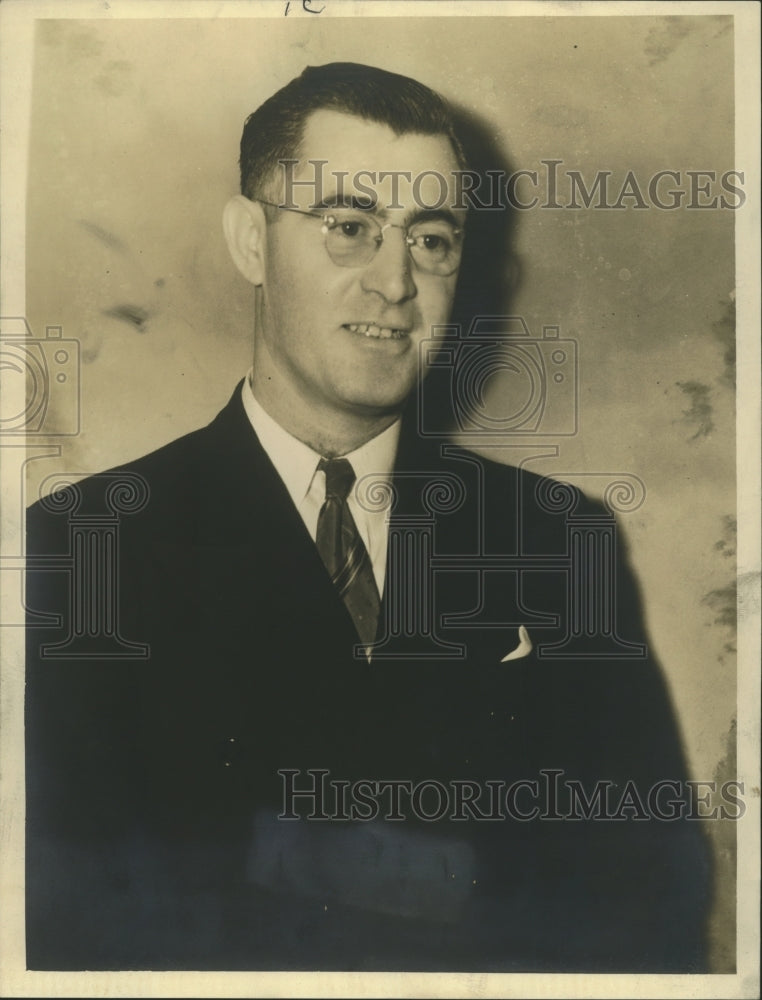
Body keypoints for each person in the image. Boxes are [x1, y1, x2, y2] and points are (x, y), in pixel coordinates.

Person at [25, 62, 710, 973]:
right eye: (349, 228)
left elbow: (653, 899)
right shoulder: (86, 546)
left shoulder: (555, 539)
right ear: (251, 241)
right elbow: (73, 919)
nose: (395, 281)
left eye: (431, 239)